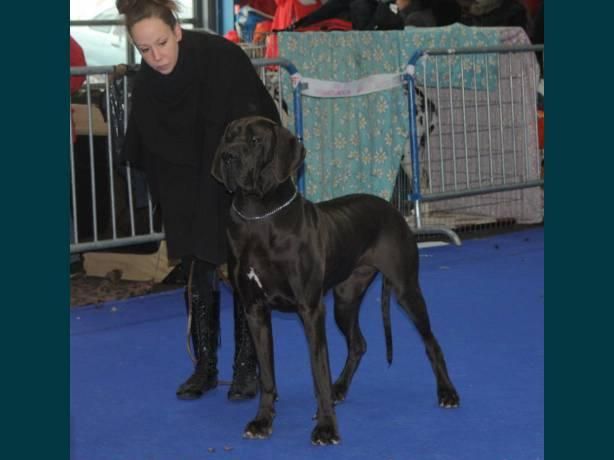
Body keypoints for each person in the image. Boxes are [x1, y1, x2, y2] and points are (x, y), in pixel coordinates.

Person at [114, 0, 281, 401]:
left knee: (242, 274)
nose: (156, 56)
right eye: (144, 50)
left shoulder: (221, 58)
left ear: (178, 32)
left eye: (162, 43)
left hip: (232, 182)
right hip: (182, 185)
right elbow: (143, 145)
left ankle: (247, 367)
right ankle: (204, 366)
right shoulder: (148, 81)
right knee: (197, 272)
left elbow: (259, 123)